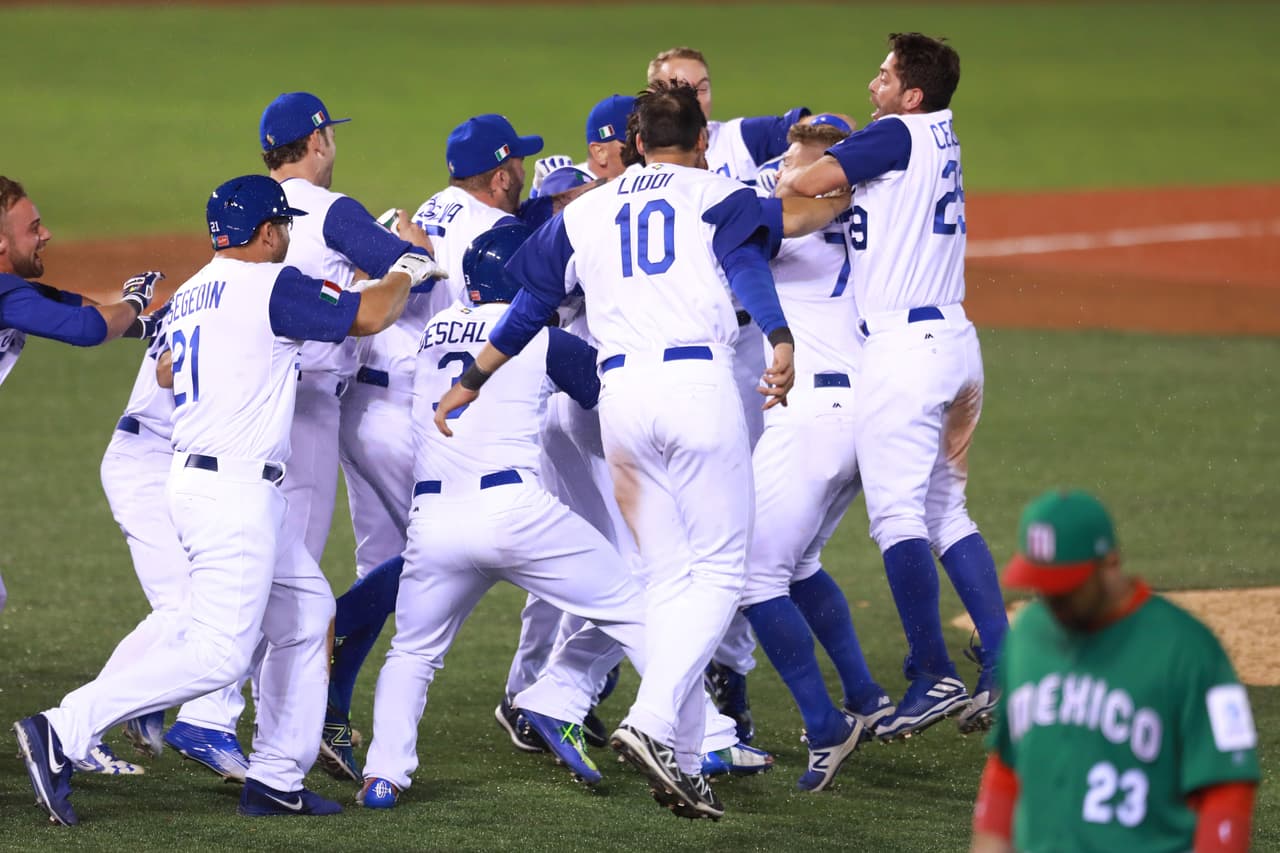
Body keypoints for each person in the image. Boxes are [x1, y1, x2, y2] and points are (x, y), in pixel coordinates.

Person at [12, 174, 442, 826]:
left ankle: (275, 776)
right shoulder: (271, 285)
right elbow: (374, 312)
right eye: (284, 228)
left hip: (208, 482)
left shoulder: (192, 291)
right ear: (268, 232)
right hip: (232, 491)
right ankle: (62, 727)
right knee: (218, 652)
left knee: (307, 613)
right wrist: (409, 261)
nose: (288, 237)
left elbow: (163, 370)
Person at [434, 81, 795, 821]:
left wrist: (472, 377)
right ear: (701, 138)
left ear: (633, 145)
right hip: (697, 386)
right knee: (723, 569)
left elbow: (531, 305)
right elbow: (751, 270)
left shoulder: (589, 208)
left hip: (620, 400)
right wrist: (781, 336)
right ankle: (653, 720)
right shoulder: (718, 193)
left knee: (664, 579)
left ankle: (688, 762)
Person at [359, 222, 654, 809]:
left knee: (412, 652)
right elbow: (614, 397)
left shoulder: (433, 334)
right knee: (640, 606)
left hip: (435, 519)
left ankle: (383, 776)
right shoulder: (543, 340)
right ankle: (698, 740)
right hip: (515, 515)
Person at [777, 32, 1008, 739]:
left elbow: (809, 184)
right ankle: (1004, 659)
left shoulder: (898, 135)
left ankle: (931, 673)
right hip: (957, 344)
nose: (872, 83)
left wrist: (803, 178)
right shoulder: (939, 136)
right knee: (945, 511)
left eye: (885, 75)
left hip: (906, 352)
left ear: (912, 94)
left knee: (898, 517)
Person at [322, 112, 542, 775]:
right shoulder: (495, 231)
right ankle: (312, 643)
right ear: (502, 175)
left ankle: (329, 711)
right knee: (434, 560)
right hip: (405, 413)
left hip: (361, 406)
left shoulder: (424, 209)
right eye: (520, 167)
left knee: (387, 565)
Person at [259, 91, 436, 781]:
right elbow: (412, 278)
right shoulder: (332, 210)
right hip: (309, 406)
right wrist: (409, 250)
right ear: (317, 141)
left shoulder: (255, 208)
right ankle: (250, 722)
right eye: (330, 134)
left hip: (257, 398)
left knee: (270, 561)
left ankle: (284, 719)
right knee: (292, 574)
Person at [971, 489, 1260, 853]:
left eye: (1066, 588)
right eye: (1044, 587)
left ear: (1109, 562)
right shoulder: (1028, 635)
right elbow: (1008, 765)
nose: (1053, 602)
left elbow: (1228, 787)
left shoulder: (1186, 648)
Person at [739, 119, 894, 792]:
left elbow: (757, 227)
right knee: (799, 561)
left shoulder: (781, 224)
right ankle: (865, 693)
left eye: (795, 166)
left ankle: (826, 727)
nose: (783, 173)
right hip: (868, 411)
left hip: (812, 418)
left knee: (751, 578)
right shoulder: (869, 221)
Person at [102, 305, 255, 782]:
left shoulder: (210, 291)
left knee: (200, 602)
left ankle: (142, 704)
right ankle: (75, 729)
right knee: (185, 607)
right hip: (147, 458)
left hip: (170, 462)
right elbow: (169, 370)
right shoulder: (236, 298)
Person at [0, 175, 160, 623]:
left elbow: (78, 308)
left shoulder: (13, 290)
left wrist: (145, 323)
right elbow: (86, 330)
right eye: (33, 227)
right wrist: (133, 301)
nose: (46, 234)